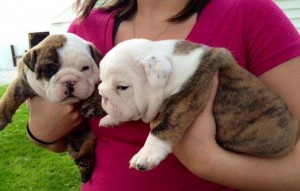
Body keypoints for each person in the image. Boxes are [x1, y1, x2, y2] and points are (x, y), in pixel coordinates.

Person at [27, 0, 300, 190]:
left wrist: (208, 162)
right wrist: (41, 132)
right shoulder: (83, 33)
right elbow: (69, 136)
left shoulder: (249, 13)